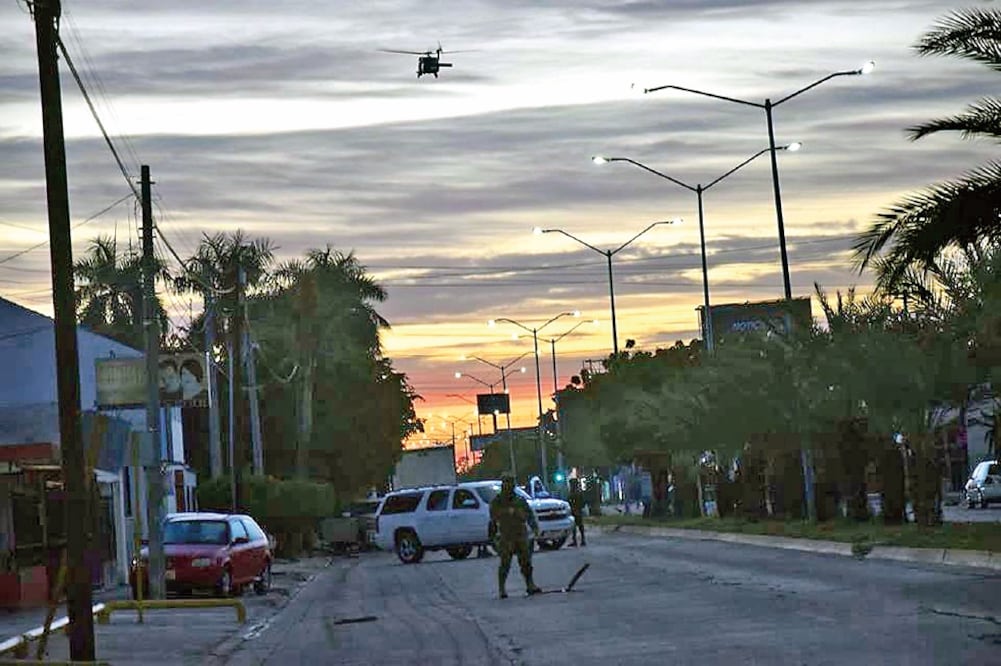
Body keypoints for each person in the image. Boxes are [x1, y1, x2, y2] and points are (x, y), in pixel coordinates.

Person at [489, 474, 541, 598]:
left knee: (526, 562)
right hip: (506, 535)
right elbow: (493, 516)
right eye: (506, 483)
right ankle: (502, 589)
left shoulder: (520, 500)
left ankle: (530, 585)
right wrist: (506, 512)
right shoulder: (497, 501)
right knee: (505, 563)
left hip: (521, 533)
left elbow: (529, 515)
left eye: (511, 483)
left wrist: (535, 528)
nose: (509, 486)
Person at [568, 477, 586, 547]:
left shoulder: (574, 492)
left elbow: (571, 501)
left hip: (575, 510)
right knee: (579, 526)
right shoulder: (578, 491)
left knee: (576, 526)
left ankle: (577, 540)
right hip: (577, 510)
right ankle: (581, 540)